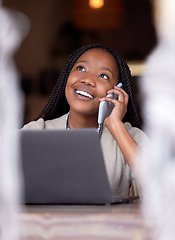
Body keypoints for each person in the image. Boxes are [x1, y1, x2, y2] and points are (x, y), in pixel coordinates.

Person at [22, 44, 148, 197]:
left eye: (103, 76)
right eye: (81, 68)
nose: (87, 80)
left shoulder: (129, 136)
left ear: (117, 91)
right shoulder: (36, 132)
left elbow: (157, 184)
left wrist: (115, 125)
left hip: (107, 222)